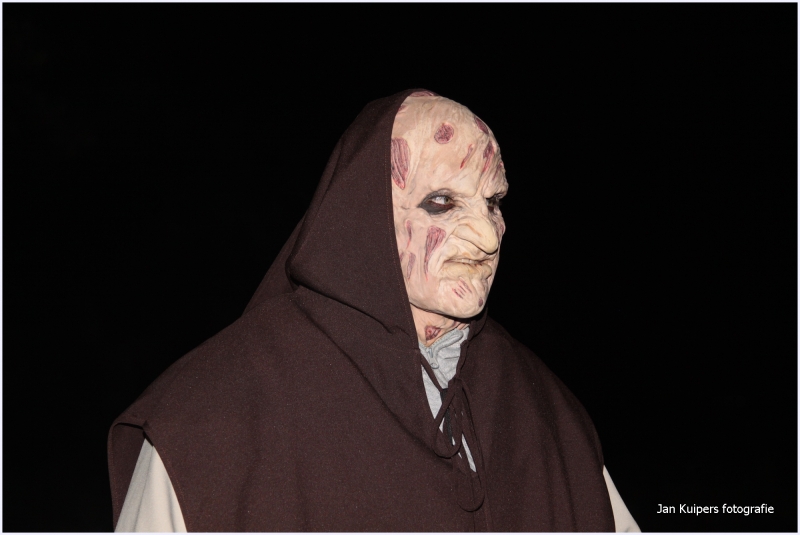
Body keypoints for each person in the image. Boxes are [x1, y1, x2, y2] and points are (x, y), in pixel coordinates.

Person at [108, 89, 640, 532]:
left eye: (493, 202)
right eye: (441, 202)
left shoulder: (548, 413)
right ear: (365, 213)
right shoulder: (214, 418)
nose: (487, 236)